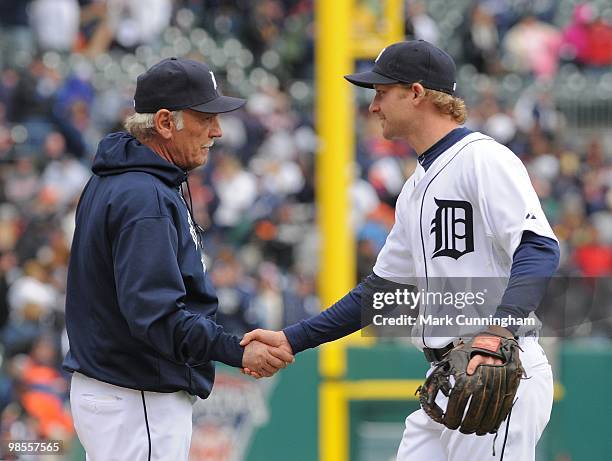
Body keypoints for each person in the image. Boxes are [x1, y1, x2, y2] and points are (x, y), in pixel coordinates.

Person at [241, 40, 559, 461]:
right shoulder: (415, 187)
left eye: (381, 93)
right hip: (447, 379)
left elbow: (539, 248)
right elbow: (380, 293)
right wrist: (292, 338)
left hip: (494, 370)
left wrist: (497, 331)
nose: (373, 106)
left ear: (416, 92)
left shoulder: (483, 159)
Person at [63, 57, 293, 461]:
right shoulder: (142, 196)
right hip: (138, 395)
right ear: (166, 122)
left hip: (119, 392)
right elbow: (156, 317)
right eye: (205, 118)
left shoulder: (120, 180)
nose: (217, 131)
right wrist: (236, 350)